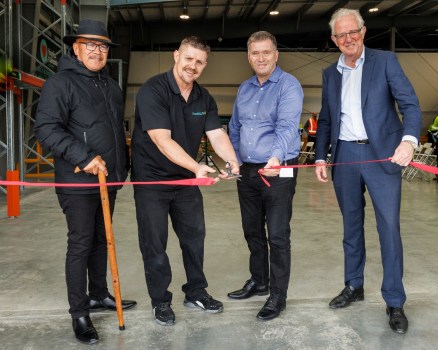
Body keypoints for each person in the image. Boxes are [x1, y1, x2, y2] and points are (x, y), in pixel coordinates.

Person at [314, 8, 421, 334]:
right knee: (351, 226)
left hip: (382, 157)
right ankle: (353, 285)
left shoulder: (385, 61)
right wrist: (321, 157)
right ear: (334, 39)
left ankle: (394, 301)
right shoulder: (330, 73)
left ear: (363, 31)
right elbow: (327, 119)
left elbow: (410, 104)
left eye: (353, 32)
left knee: (388, 228)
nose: (348, 39)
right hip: (345, 156)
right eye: (341, 35)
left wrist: (409, 141)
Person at [34, 19, 136, 345]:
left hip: (109, 180)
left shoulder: (110, 86)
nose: (97, 50)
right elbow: (47, 129)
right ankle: (79, 312)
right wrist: (84, 156)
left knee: (100, 239)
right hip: (78, 181)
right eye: (89, 44)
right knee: (80, 243)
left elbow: (115, 133)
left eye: (103, 46)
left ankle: (99, 294)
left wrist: (122, 168)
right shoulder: (59, 84)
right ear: (75, 48)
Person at [131, 36, 240, 326]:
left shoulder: (204, 98)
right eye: (188, 58)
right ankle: (160, 301)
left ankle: (195, 291)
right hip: (152, 182)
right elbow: (161, 140)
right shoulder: (153, 90)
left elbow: (216, 134)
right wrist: (197, 167)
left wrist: (232, 161)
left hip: (186, 182)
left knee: (194, 238)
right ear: (176, 55)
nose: (193, 66)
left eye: (200, 62)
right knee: (155, 243)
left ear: (205, 65)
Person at [227, 31, 304, 321]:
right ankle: (259, 281)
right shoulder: (244, 88)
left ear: (276, 54)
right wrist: (233, 158)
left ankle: (277, 295)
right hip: (246, 170)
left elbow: (286, 127)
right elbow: (235, 126)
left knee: (278, 235)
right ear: (249, 56)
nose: (260, 58)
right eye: (255, 53)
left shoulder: (288, 86)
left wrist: (275, 157)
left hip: (278, 170)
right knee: (252, 230)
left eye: (266, 52)